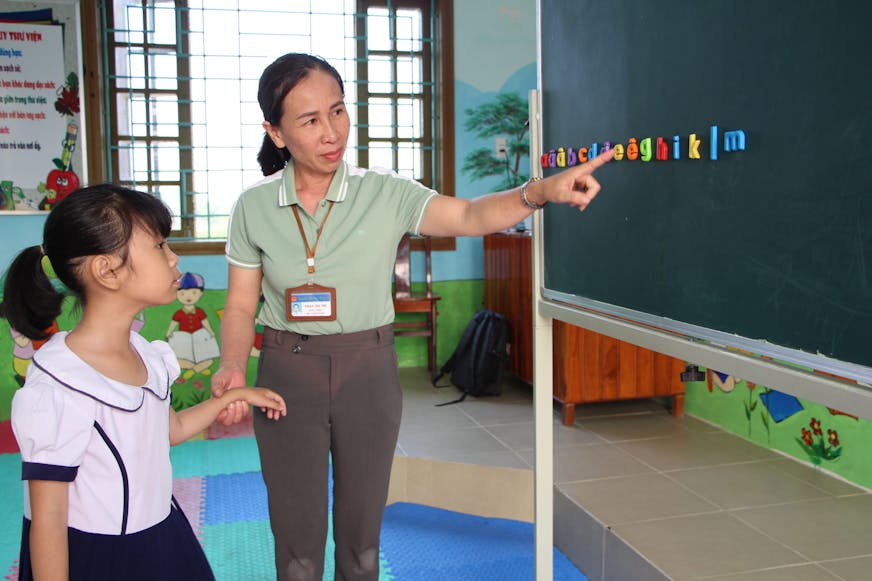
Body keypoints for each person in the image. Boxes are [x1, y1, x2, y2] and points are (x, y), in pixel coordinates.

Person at [211, 52, 614, 581]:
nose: (332, 132)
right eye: (310, 121)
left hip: (367, 371)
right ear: (276, 132)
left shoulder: (385, 191)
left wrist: (538, 192)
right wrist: (232, 365)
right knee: (297, 550)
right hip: (285, 375)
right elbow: (241, 304)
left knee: (362, 546)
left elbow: (468, 215)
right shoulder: (254, 207)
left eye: (338, 111)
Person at [0, 184, 288, 581]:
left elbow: (170, 429)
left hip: (162, 535)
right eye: (160, 246)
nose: (174, 259)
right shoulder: (59, 386)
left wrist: (231, 397)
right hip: (100, 557)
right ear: (107, 271)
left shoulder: (147, 354)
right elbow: (48, 522)